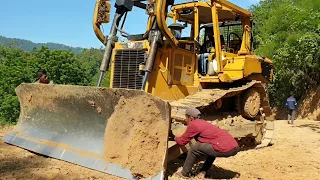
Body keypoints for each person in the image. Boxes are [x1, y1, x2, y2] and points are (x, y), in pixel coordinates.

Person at [171, 108, 240, 178]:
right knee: (210, 149)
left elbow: (182, 142)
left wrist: (173, 136)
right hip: (234, 146)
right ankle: (203, 172)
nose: (186, 120)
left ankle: (184, 173)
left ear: (191, 118)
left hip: (227, 147)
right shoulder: (202, 122)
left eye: (186, 118)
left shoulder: (194, 124)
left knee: (194, 149)